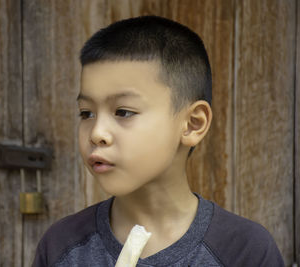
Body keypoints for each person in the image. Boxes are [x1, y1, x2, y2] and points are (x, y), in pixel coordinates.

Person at [33, 16, 284, 267]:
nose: (97, 133)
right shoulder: (62, 247)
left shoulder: (244, 250)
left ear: (192, 124)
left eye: (123, 112)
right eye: (86, 113)